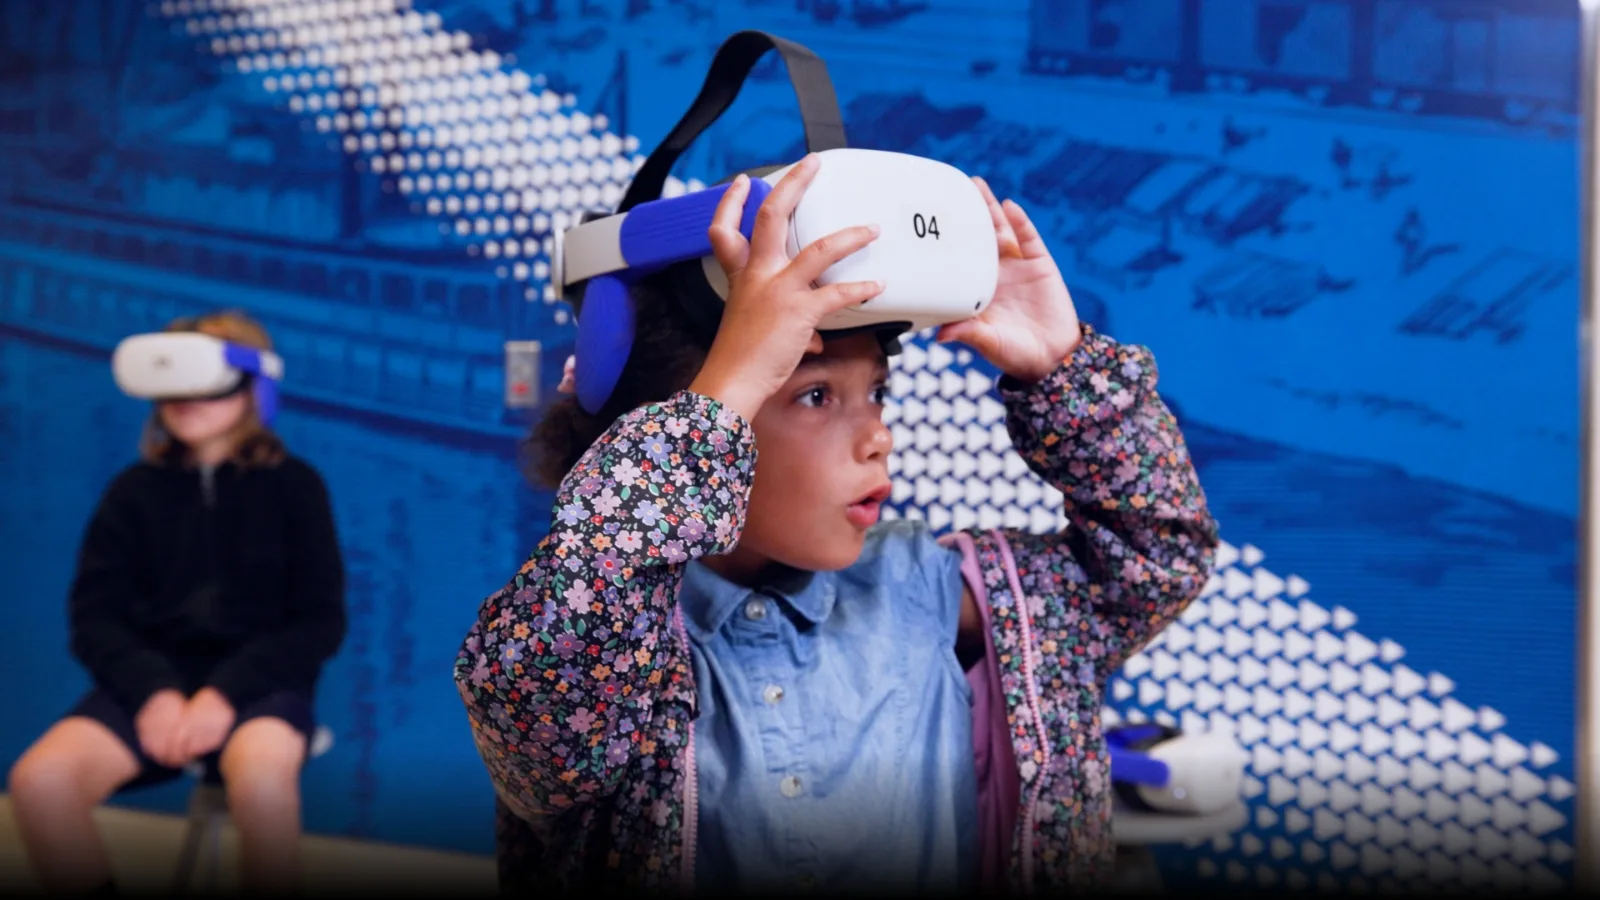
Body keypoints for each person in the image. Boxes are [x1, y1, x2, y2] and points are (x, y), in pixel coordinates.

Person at [455, 155, 1218, 893]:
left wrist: (1063, 369)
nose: (878, 436)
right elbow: (540, 705)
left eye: (876, 392)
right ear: (686, 416)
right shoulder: (602, 652)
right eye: (815, 395)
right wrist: (727, 388)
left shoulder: (939, 595)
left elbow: (1156, 558)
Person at [7, 310, 346, 895]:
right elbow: (94, 618)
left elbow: (318, 622)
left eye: (204, 380)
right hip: (147, 688)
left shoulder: (296, 487)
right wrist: (155, 693)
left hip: (261, 687)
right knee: (42, 783)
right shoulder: (131, 493)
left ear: (251, 385)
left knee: (263, 784)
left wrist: (223, 694)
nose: (185, 398)